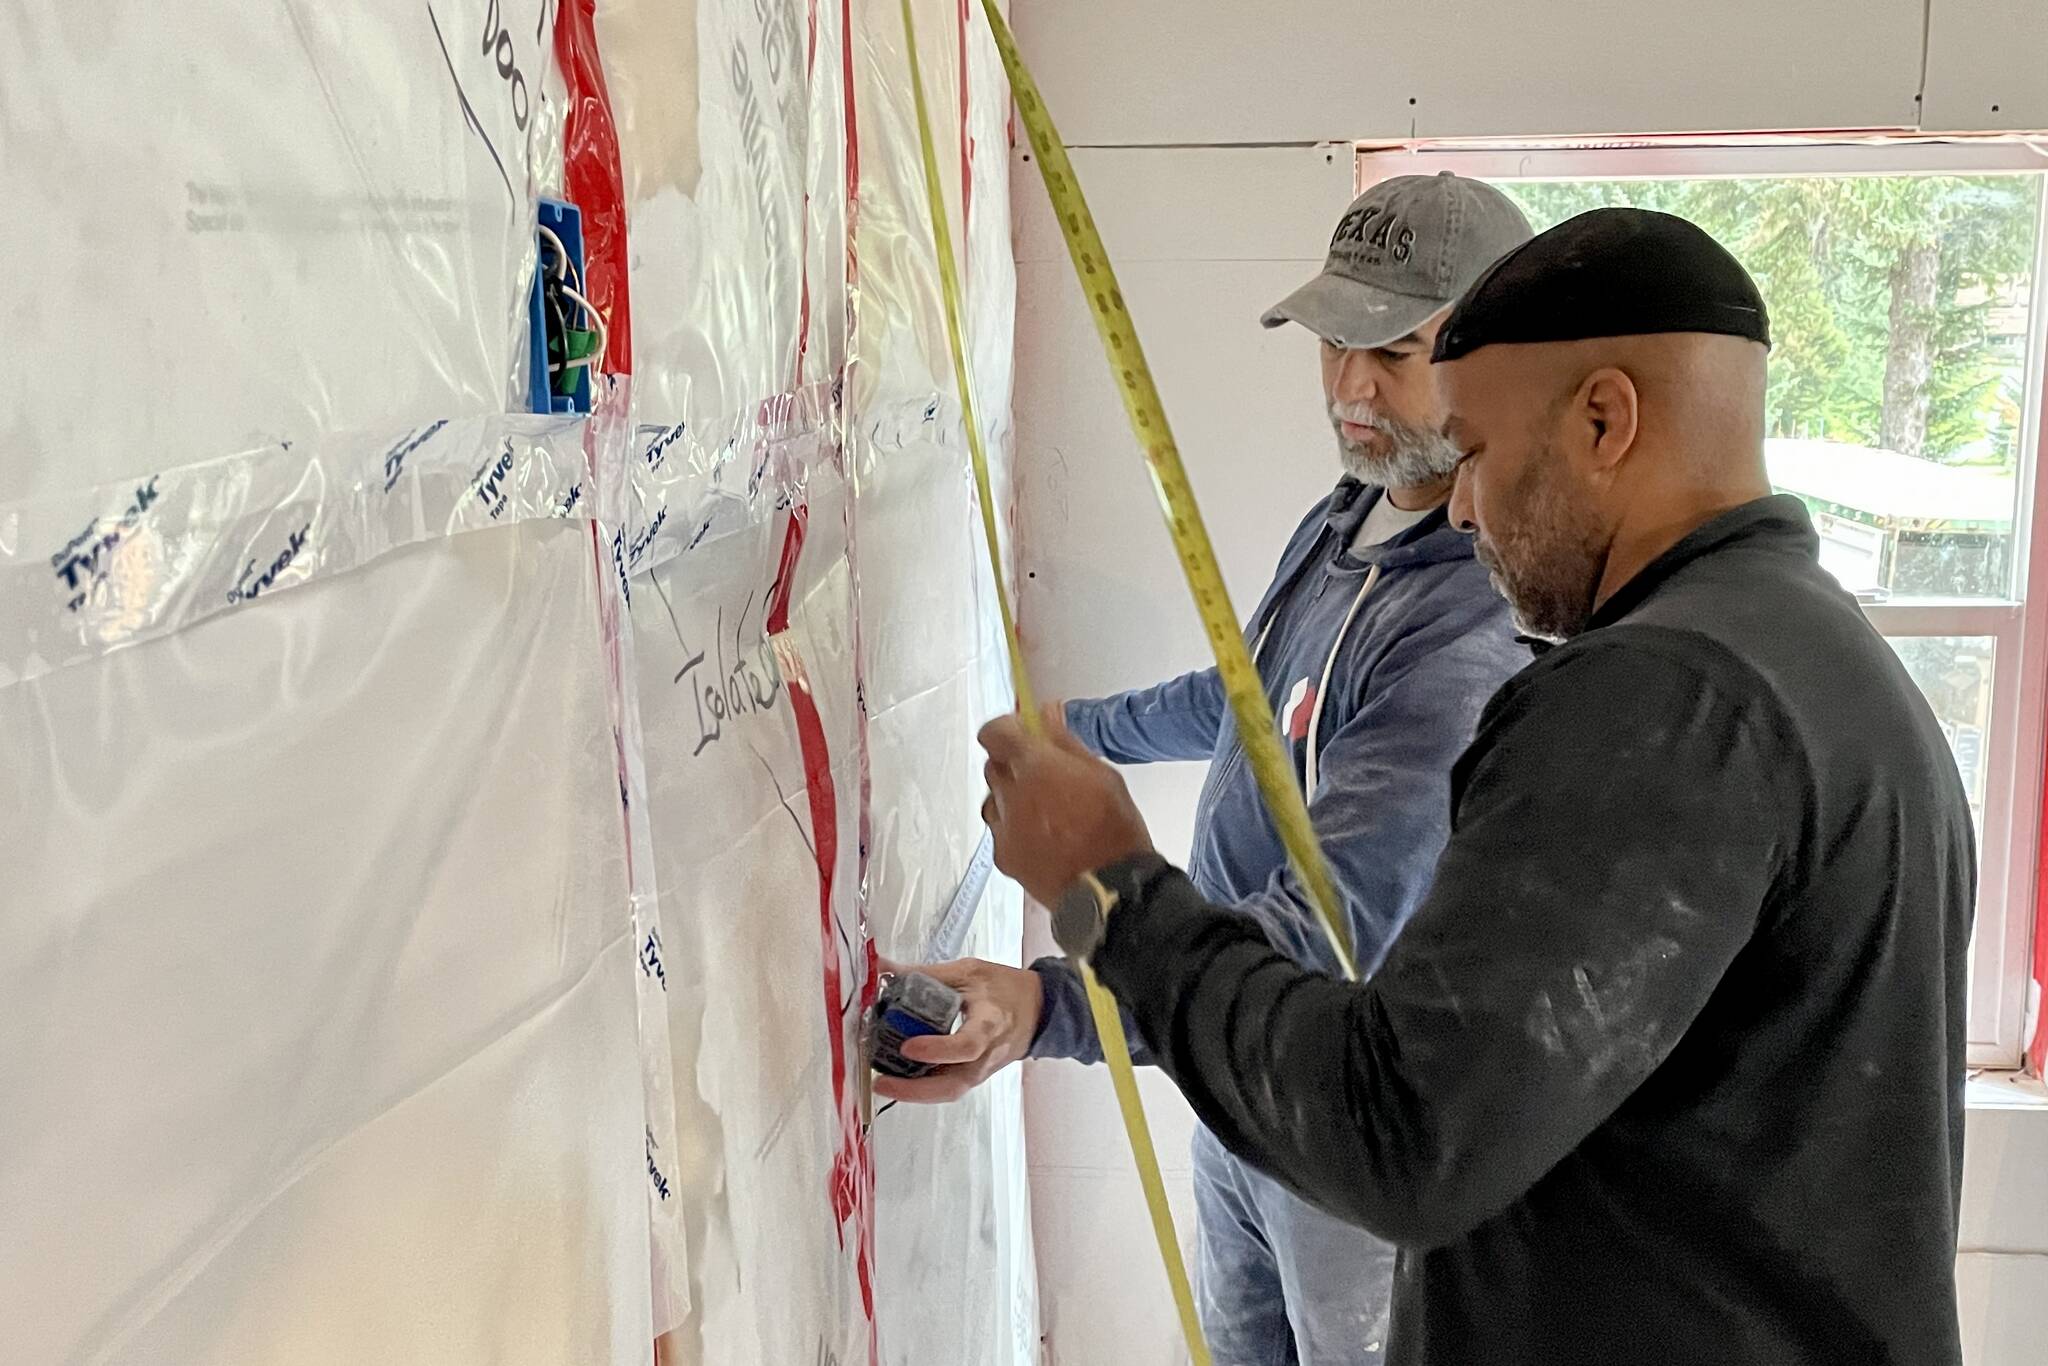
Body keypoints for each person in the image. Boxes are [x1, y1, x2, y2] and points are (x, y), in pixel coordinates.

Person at [948, 208, 1977, 1365]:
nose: (1468, 509)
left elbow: (1397, 1131)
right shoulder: (1810, 655)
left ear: (1603, 419)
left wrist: (1108, 891)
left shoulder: (1656, 700)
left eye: (1477, 453)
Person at [878, 173, 1533, 1364]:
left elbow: (1324, 927)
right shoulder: (1353, 516)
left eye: (1390, 350)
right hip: (1238, 1084)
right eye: (1332, 344)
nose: (1347, 386)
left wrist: (1049, 1006)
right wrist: (1084, 723)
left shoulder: (1466, 631)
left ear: (1495, 360)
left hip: (1345, 1126)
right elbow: (1247, 698)